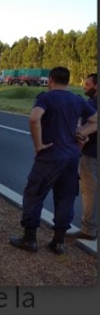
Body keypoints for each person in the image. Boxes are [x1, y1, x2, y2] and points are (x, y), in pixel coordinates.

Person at [9, 67, 97, 254]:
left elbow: (34, 119)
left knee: (34, 194)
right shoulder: (77, 99)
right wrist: (82, 132)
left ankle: (30, 239)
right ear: (67, 81)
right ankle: (58, 242)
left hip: (49, 156)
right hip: (71, 158)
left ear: (50, 80)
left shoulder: (46, 98)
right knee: (65, 197)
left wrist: (38, 144)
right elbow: (95, 120)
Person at [67, 73, 98, 240]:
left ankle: (88, 229)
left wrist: (76, 148)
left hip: (92, 152)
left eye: (87, 84)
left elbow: (86, 130)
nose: (84, 87)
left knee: (89, 191)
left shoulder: (92, 104)